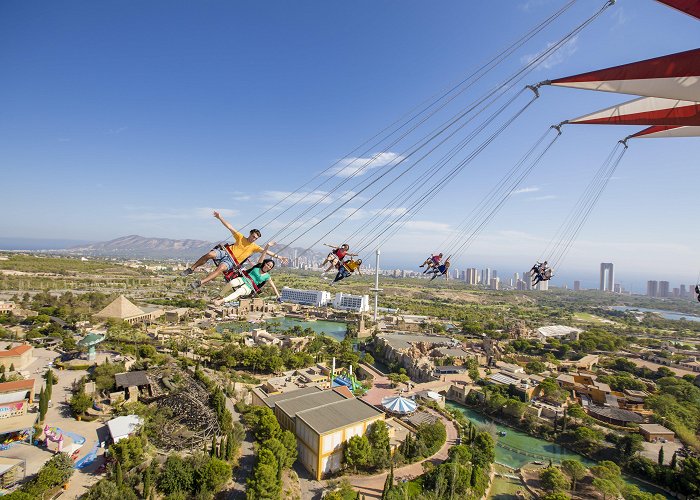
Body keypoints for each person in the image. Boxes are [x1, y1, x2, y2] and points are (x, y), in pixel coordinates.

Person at [183, 211, 286, 289]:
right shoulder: (240, 237)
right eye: (253, 236)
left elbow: (266, 251)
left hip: (231, 261)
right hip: (226, 252)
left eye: (256, 238)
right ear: (250, 234)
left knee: (220, 269)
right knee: (210, 254)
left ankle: (200, 282)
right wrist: (219, 217)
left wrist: (279, 257)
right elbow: (229, 227)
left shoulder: (255, 247)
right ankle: (191, 269)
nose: (254, 239)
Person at [213, 258, 280, 304]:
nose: (268, 267)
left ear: (270, 268)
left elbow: (273, 287)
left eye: (270, 266)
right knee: (232, 283)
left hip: (250, 287)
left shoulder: (267, 276)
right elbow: (263, 254)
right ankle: (220, 295)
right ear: (265, 263)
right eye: (267, 264)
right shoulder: (258, 266)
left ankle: (222, 301)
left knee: (238, 292)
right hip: (244, 279)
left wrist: (278, 296)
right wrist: (267, 246)